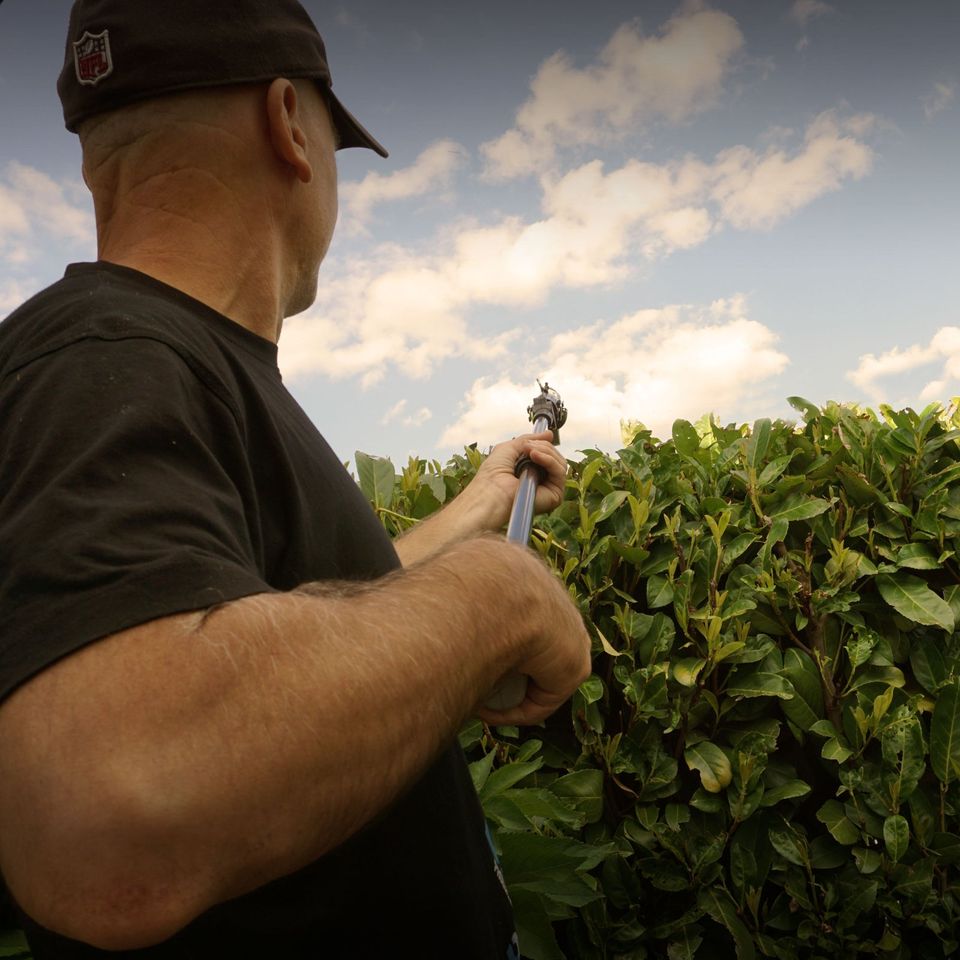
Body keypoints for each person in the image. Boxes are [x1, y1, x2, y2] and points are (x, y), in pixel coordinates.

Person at [0, 1, 592, 957]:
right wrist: (499, 595)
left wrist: (485, 505)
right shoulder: (104, 353)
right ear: (288, 123)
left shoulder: (174, 368)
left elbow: (281, 615)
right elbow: (105, 831)